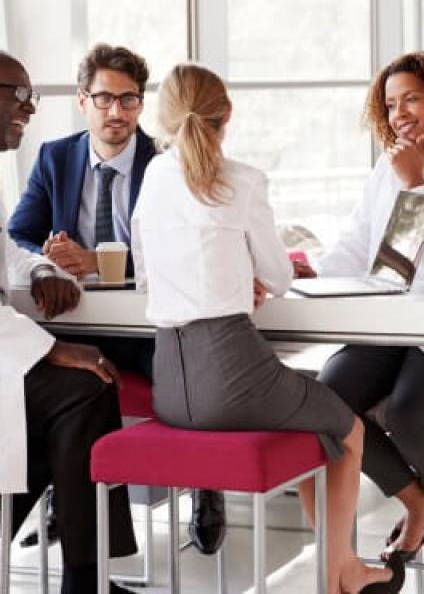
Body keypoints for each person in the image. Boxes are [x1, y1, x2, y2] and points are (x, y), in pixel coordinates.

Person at [131, 62, 404, 594]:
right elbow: (279, 279)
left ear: (161, 120)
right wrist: (247, 277)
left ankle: (339, 565)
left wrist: (230, 277)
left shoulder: (152, 177)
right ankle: (341, 572)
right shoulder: (244, 180)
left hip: (172, 385)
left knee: (310, 420)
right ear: (226, 114)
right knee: (346, 427)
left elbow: (148, 273)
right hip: (232, 376)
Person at [8, 43, 224, 554]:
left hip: (150, 326)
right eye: (105, 99)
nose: (117, 112)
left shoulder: (168, 162)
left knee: (184, 379)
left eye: (129, 100)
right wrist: (48, 258)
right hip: (80, 324)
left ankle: (206, 484)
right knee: (54, 381)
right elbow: (15, 234)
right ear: (82, 100)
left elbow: (188, 248)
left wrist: (108, 260)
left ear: (142, 105)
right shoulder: (56, 157)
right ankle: (67, 493)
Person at [298, 50, 424, 561]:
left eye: (412, 98)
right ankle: (422, 503)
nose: (399, 114)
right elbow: (356, 245)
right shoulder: (386, 170)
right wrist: (312, 270)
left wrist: (416, 185)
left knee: (412, 409)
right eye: (391, 104)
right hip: (387, 318)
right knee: (330, 404)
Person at [0, 50, 138, 594]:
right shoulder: (56, 159)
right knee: (83, 388)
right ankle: (87, 579)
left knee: (83, 388)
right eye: (20, 96)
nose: (30, 110)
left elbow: (8, 246)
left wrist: (37, 267)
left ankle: (86, 578)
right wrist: (46, 347)